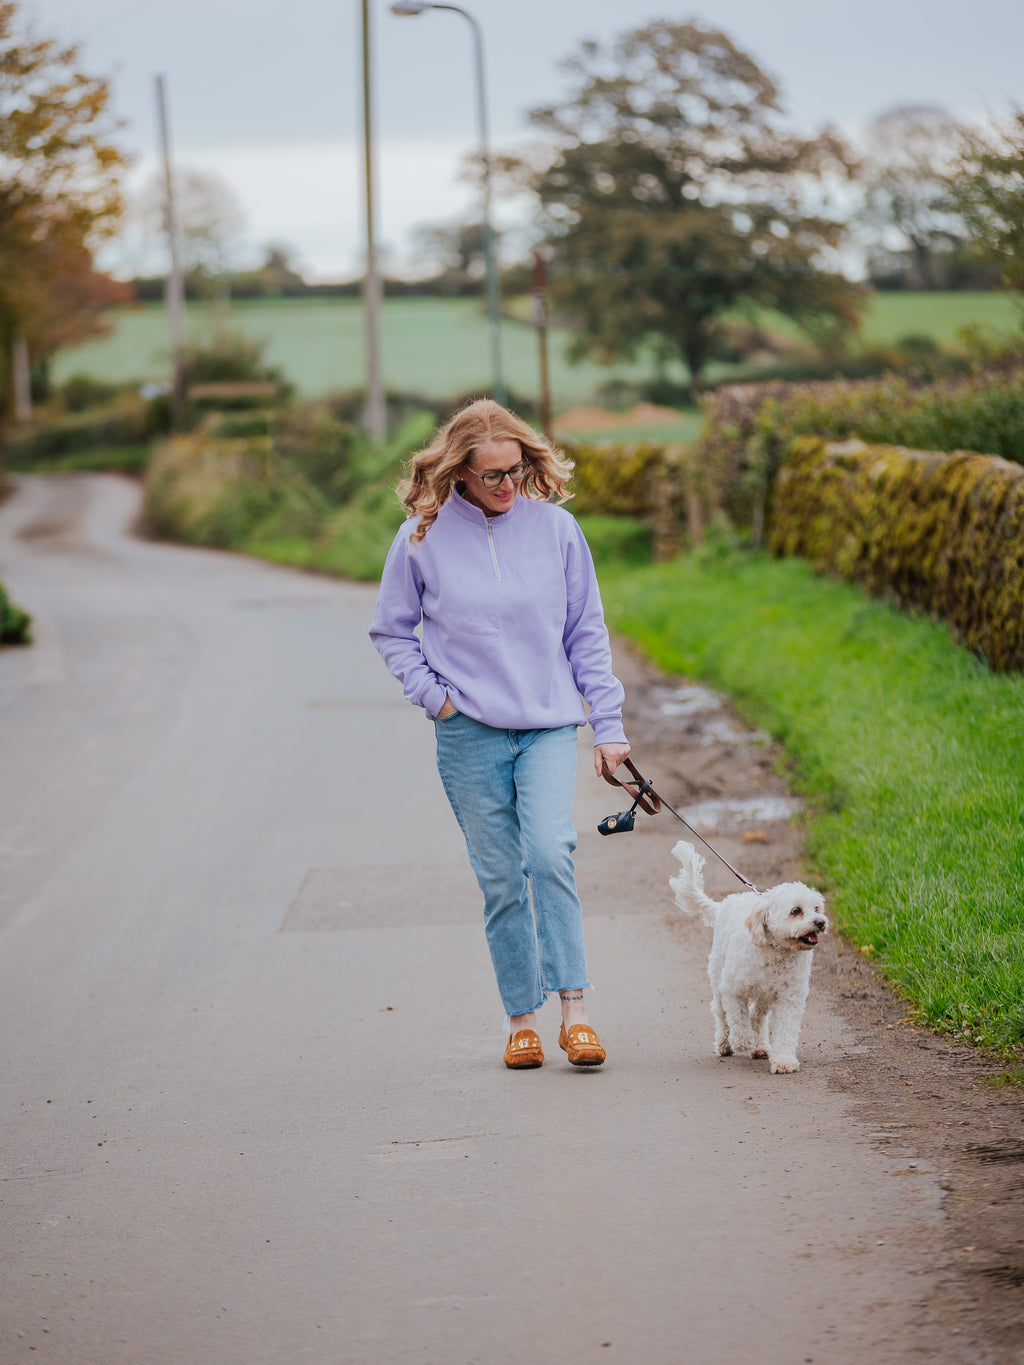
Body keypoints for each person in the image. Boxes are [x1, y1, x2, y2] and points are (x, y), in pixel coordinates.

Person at [369, 398, 630, 1070]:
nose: (508, 485)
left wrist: (609, 726)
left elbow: (586, 634)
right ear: (459, 473)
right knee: (501, 879)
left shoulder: (558, 529)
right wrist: (435, 697)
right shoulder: (420, 538)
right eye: (492, 475)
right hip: (469, 734)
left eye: (515, 470)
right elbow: (392, 630)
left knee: (549, 853)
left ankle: (575, 1010)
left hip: (546, 725)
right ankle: (522, 1020)